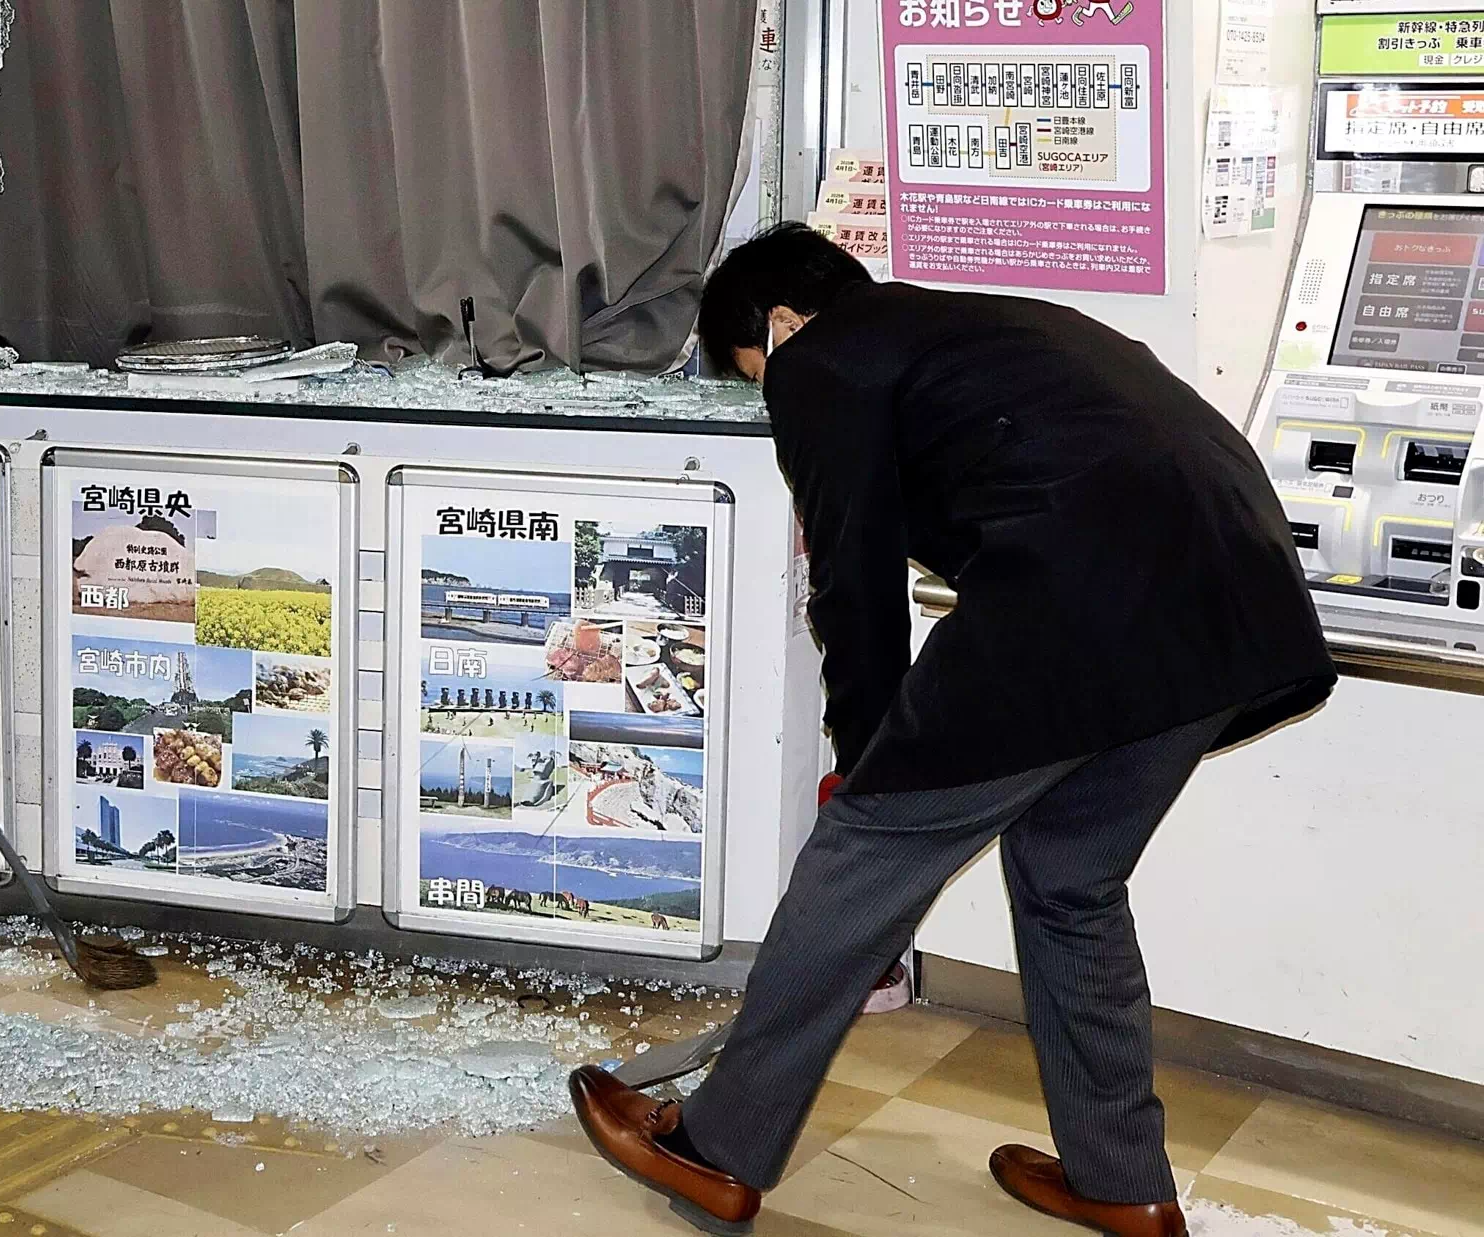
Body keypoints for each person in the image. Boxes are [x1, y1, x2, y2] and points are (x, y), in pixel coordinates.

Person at [569, 223, 1335, 1237]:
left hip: (1077, 602)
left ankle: (712, 1152)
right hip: (1235, 614)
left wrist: (869, 764)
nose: (771, 392)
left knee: (858, 858)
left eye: (757, 372)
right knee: (1070, 880)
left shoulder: (823, 361)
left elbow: (854, 587)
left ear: (783, 322)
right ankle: (1120, 1178)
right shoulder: (991, 325)